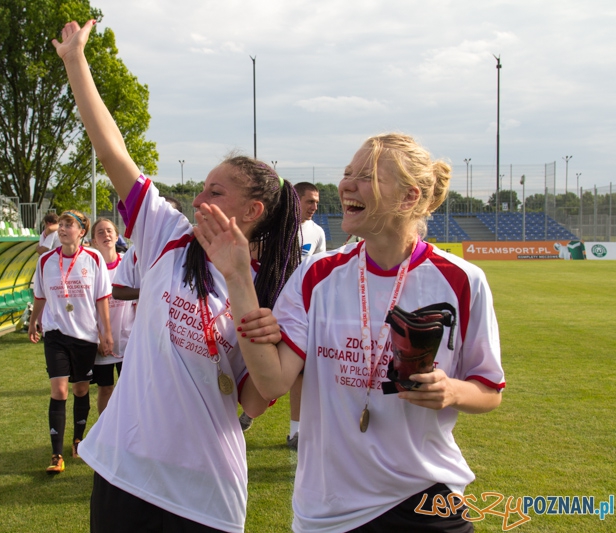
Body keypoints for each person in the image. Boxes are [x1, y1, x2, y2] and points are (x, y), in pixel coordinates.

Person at [53, 19, 301, 532]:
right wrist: (76, 62)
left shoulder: (276, 289)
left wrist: (238, 280)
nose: (198, 199)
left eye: (215, 191)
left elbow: (255, 398)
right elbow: (111, 151)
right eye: (202, 188)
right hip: (125, 471)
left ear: (252, 210)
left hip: (204, 488)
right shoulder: (168, 233)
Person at [196, 133, 505, 532]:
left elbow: (489, 389)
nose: (346, 185)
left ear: (409, 198)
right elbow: (271, 383)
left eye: (367, 176)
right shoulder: (317, 275)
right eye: (347, 174)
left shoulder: (463, 281)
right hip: (329, 510)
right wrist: (238, 276)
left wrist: (452, 391)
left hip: (427, 499)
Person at [237, 182, 326, 443]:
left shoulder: (317, 232)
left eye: (317, 202)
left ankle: (295, 429)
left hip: (293, 309)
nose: (314, 207)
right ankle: (245, 413)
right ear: (295, 201)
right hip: (261, 301)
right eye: (309, 201)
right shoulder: (269, 228)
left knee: (297, 371)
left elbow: (313, 269)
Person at [29, 209, 114, 475]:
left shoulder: (93, 258)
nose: (63, 229)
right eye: (61, 225)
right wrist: (34, 321)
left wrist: (106, 333)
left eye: (69, 225)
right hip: (55, 334)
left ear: (81, 231)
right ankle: (56, 454)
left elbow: (102, 299)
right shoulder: (45, 261)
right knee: (60, 391)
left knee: (80, 390)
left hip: (85, 336)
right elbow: (40, 296)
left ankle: (78, 440)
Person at [89, 217, 136, 413]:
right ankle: (104, 436)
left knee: (131, 391)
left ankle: (130, 436)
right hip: (102, 342)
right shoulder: (90, 268)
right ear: (93, 241)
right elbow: (86, 307)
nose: (106, 235)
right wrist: (99, 337)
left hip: (128, 340)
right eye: (100, 232)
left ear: (117, 236)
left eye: (109, 231)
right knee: (106, 388)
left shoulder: (128, 263)